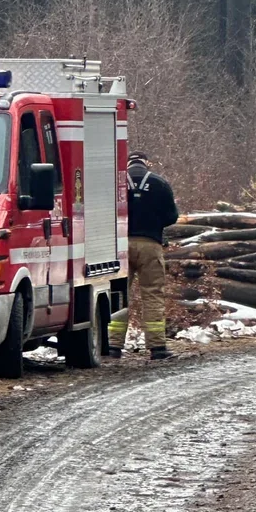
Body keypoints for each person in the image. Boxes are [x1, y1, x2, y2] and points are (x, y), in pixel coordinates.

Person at [108, 151, 180, 361]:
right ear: (147, 164)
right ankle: (157, 347)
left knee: (119, 296)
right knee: (153, 294)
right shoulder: (160, 184)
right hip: (151, 245)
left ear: (128, 163)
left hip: (121, 247)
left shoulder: (117, 183)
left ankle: (113, 346)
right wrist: (153, 223)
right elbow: (172, 216)